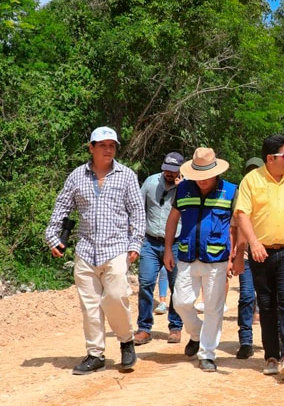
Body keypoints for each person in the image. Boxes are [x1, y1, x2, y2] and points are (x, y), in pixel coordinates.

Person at [45, 126, 145, 375]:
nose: (108, 149)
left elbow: (138, 212)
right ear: (91, 148)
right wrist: (52, 236)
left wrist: (135, 243)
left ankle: (126, 341)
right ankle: (95, 354)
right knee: (89, 306)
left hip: (116, 247)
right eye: (103, 145)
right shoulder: (77, 176)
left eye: (112, 145)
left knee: (115, 296)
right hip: (86, 250)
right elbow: (62, 207)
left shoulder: (127, 176)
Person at [235, 135, 284, 376]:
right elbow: (242, 215)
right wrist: (253, 243)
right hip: (261, 252)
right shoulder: (251, 180)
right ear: (271, 159)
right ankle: (271, 356)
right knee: (267, 304)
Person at [164, 148, 236, 373]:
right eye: (198, 176)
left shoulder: (230, 191)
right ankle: (196, 333)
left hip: (217, 259)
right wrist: (168, 249)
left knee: (214, 309)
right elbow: (173, 219)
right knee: (181, 302)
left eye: (206, 175)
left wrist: (234, 256)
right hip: (186, 256)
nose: (202, 181)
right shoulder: (183, 189)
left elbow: (236, 225)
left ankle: (207, 354)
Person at [134, 152, 185, 345]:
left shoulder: (187, 186)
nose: (169, 174)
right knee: (146, 282)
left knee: (176, 286)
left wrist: (183, 190)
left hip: (177, 243)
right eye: (166, 170)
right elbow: (138, 208)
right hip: (150, 242)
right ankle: (144, 328)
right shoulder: (150, 182)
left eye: (173, 171)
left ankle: (175, 326)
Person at [233, 157, 263, 360]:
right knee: (246, 296)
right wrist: (234, 254)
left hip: (269, 252)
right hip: (246, 253)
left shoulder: (270, 191)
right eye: (249, 170)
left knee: (271, 298)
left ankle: (276, 341)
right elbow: (235, 227)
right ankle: (245, 340)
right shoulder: (240, 194)